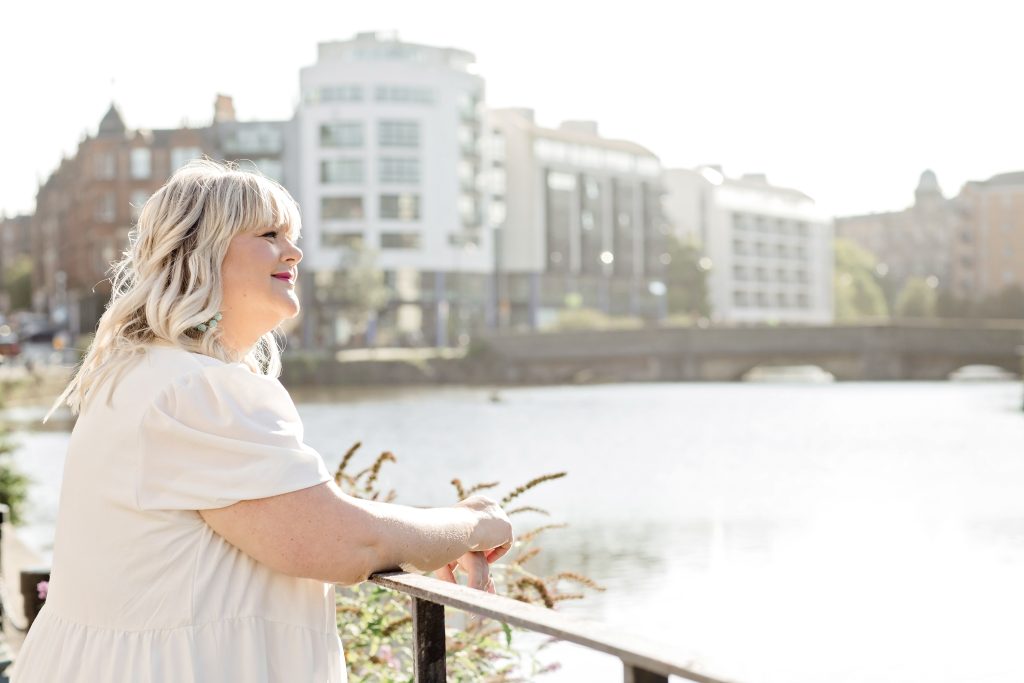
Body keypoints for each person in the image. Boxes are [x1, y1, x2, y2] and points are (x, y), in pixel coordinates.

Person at [11, 160, 513, 682]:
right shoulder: (197, 390)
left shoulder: (141, 375)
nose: (293, 252)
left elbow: (308, 516)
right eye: (269, 234)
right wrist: (474, 522)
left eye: (292, 237)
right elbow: (344, 543)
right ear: (200, 249)